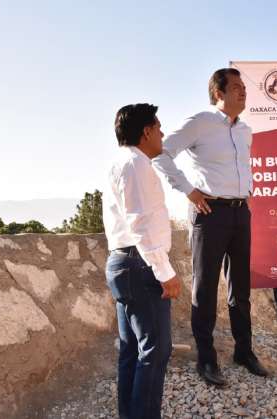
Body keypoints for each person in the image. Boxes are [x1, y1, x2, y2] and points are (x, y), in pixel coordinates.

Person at [152, 68, 268, 387]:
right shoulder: (200, 122)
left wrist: (247, 188)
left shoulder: (245, 130)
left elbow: (240, 167)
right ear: (218, 93)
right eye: (236, 87)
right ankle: (206, 359)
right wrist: (188, 189)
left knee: (240, 288)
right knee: (205, 290)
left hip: (240, 213)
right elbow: (160, 153)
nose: (244, 92)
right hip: (209, 213)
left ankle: (244, 352)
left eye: (244, 87)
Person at [102, 103, 182, 419]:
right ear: (146, 131)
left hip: (123, 262)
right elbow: (140, 223)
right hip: (140, 265)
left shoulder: (120, 163)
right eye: (159, 127)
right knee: (156, 351)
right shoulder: (136, 164)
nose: (162, 133)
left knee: (132, 351)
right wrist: (164, 271)